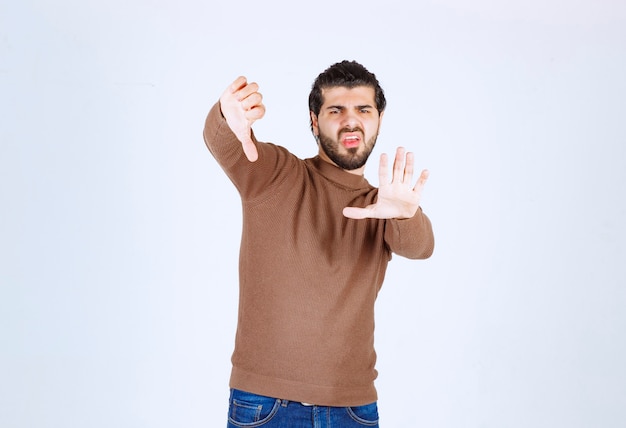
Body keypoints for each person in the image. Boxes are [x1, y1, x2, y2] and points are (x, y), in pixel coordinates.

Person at [203, 60, 434, 428]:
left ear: (379, 119)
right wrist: (226, 117)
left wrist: (405, 214)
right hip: (265, 406)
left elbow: (420, 247)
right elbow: (227, 145)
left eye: (363, 109)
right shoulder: (277, 174)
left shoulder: (383, 206)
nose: (351, 120)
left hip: (352, 410)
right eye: (335, 110)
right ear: (314, 120)